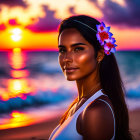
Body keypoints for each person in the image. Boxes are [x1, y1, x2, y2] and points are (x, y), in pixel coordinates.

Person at [48, 15, 133, 140]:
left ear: (99, 54)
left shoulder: (96, 111)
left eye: (78, 49)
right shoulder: (79, 104)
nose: (66, 58)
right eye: (62, 50)